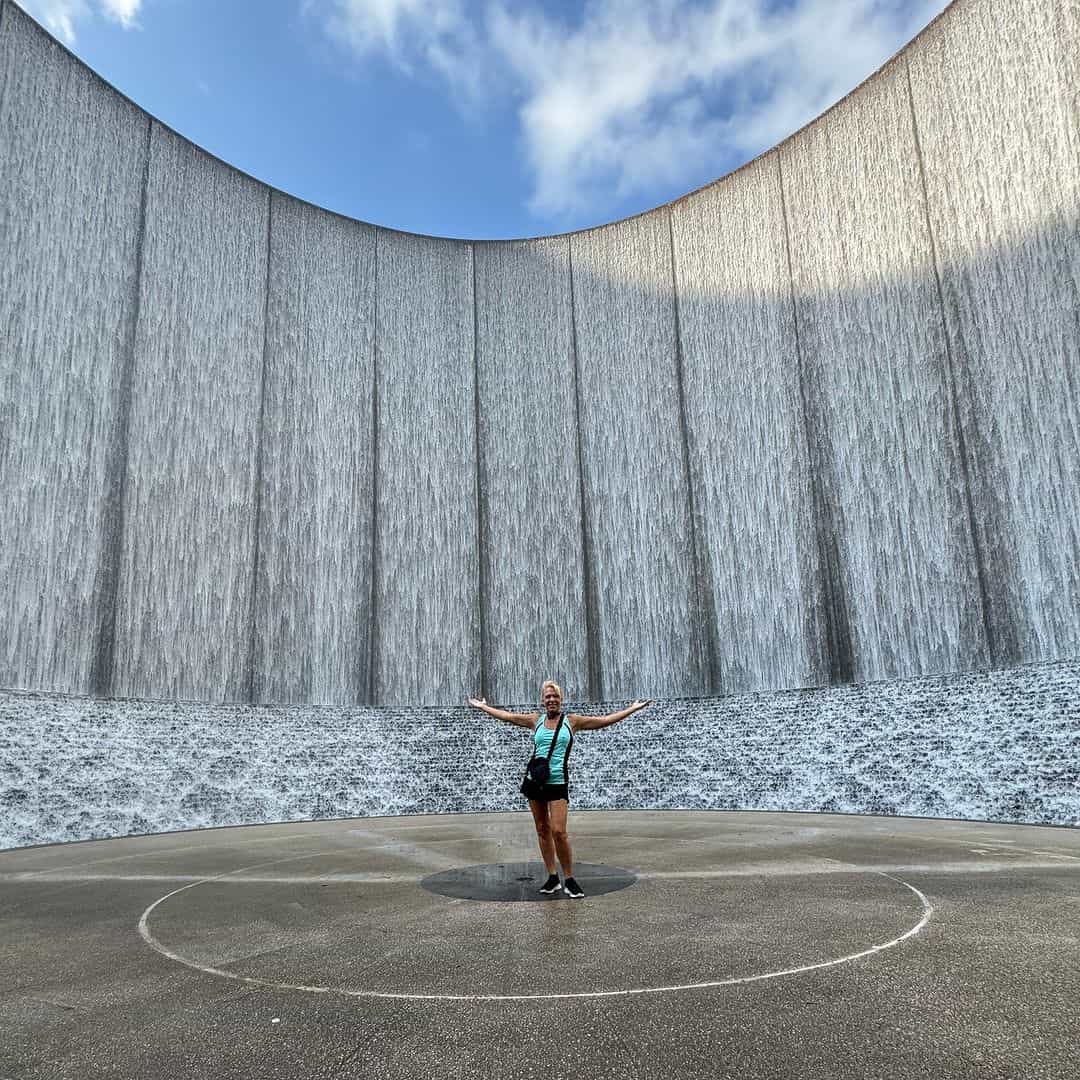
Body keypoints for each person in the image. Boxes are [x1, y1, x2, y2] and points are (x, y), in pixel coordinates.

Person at [468, 680, 651, 899]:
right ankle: (552, 877)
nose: (551, 700)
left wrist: (632, 708)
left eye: (555, 696)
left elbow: (604, 721)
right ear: (543, 700)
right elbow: (507, 716)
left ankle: (570, 878)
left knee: (559, 832)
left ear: (560, 699)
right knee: (542, 830)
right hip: (534, 780)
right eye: (548, 697)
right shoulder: (535, 720)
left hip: (557, 782)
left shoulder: (572, 721)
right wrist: (483, 707)